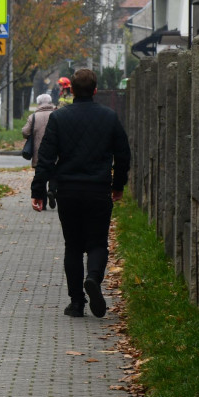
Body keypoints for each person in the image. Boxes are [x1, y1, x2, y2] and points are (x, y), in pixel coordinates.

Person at [31, 68, 130, 319]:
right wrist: (118, 185)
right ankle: (93, 278)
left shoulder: (59, 117)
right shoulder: (109, 117)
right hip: (98, 190)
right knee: (97, 242)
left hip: (68, 190)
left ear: (71, 90)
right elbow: (123, 155)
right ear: (95, 90)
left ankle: (76, 303)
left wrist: (39, 190)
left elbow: (45, 157)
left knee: (73, 246)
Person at [22, 93, 57, 209]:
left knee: (40, 176)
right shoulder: (56, 114)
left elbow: (25, 132)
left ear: (39, 103)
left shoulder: (34, 117)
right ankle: (52, 190)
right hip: (55, 150)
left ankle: (43, 203)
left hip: (39, 152)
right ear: (50, 102)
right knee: (54, 174)